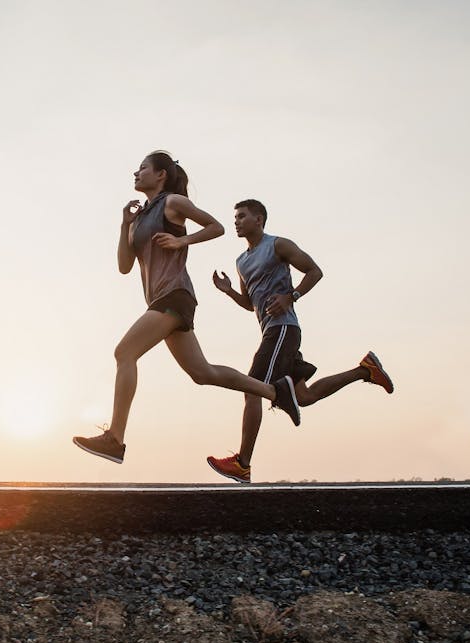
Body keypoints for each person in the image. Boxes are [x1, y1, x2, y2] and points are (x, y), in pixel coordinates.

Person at [73, 153, 301, 464]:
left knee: (124, 352)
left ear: (161, 175)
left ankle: (115, 438)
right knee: (202, 373)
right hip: (159, 300)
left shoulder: (173, 203)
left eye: (143, 168)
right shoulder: (138, 218)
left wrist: (183, 242)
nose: (136, 173)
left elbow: (216, 227)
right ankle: (276, 392)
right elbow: (124, 266)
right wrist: (124, 224)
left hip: (175, 296)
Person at [206, 198, 394, 483]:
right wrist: (229, 291)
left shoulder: (278, 245)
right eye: (235, 217)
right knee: (304, 397)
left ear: (259, 219)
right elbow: (250, 303)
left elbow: (315, 271)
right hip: (274, 330)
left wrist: (291, 296)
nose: (236, 221)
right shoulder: (241, 261)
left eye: (242, 216)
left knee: (252, 388)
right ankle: (365, 370)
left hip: (283, 329)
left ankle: (242, 463)